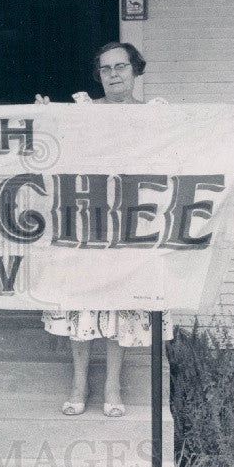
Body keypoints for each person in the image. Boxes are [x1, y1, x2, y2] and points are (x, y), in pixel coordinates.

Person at [37, 41, 173, 418]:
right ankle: (79, 382)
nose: (113, 75)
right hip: (88, 216)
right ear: (98, 75)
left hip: (131, 218)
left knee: (120, 299)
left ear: (135, 69)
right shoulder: (82, 110)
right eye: (105, 69)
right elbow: (57, 148)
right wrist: (45, 117)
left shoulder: (155, 114)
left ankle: (113, 382)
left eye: (121, 67)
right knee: (81, 299)